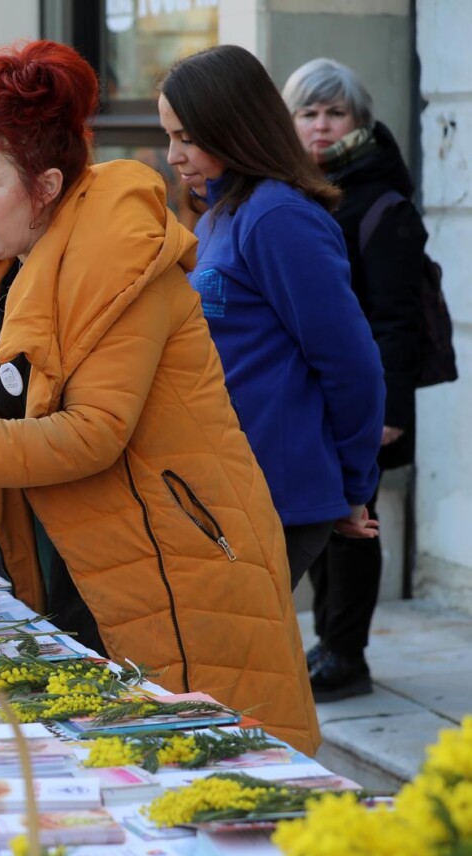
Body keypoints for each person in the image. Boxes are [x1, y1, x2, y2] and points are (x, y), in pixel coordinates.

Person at [0, 40, 320, 755]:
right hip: (68, 567)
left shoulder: (123, 258)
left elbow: (89, 432)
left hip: (174, 562)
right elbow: (6, 426)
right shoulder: (0, 269)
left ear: (47, 184)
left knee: (212, 774)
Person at [158, 45, 385, 590]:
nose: (172, 155)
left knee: (240, 667)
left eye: (187, 137)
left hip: (277, 493)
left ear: (235, 128)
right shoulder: (221, 214)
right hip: (226, 485)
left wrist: (353, 488)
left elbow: (351, 365)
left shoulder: (278, 216)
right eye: (169, 136)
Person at [283, 58, 426, 701]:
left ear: (359, 122)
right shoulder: (304, 187)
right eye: (308, 112)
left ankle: (348, 654)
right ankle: (330, 644)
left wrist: (390, 407)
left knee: (355, 523)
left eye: (334, 113)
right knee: (324, 515)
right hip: (321, 391)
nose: (320, 125)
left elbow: (400, 319)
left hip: (369, 391)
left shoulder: (380, 199)